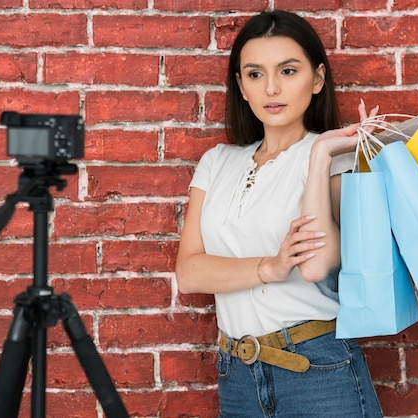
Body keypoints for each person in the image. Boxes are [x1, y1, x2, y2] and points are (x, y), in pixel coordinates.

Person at [176, 10, 384, 417]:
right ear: (241, 85)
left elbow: (317, 265)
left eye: (288, 70)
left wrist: (322, 151)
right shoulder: (217, 161)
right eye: (254, 74)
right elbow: (189, 273)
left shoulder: (334, 157)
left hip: (317, 370)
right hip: (237, 373)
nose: (271, 87)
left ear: (318, 78)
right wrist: (270, 267)